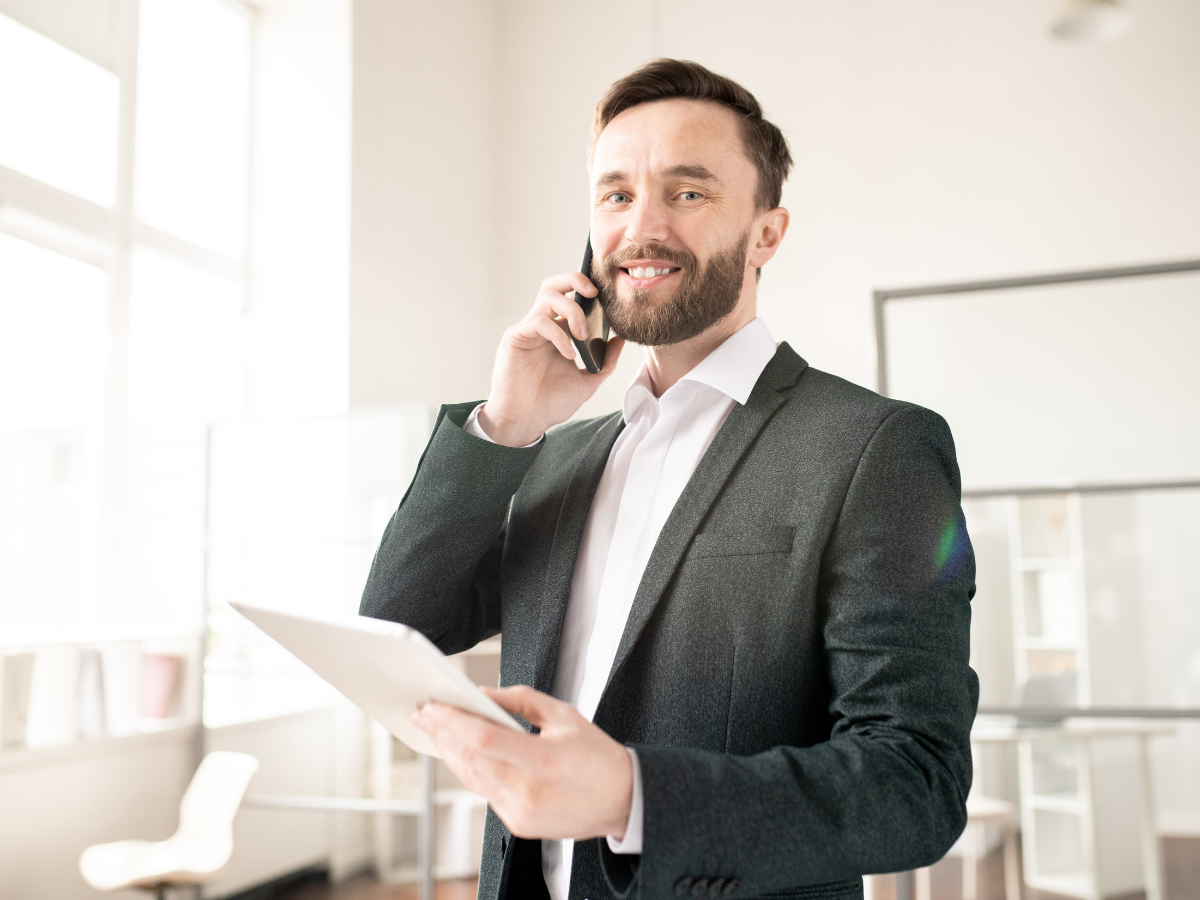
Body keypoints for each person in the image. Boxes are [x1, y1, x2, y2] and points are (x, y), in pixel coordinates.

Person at [360, 58, 978, 900]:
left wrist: (629, 794)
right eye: (615, 196)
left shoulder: (876, 449)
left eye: (687, 193)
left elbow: (915, 783)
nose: (640, 228)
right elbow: (401, 628)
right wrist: (505, 427)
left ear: (766, 233)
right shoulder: (561, 455)